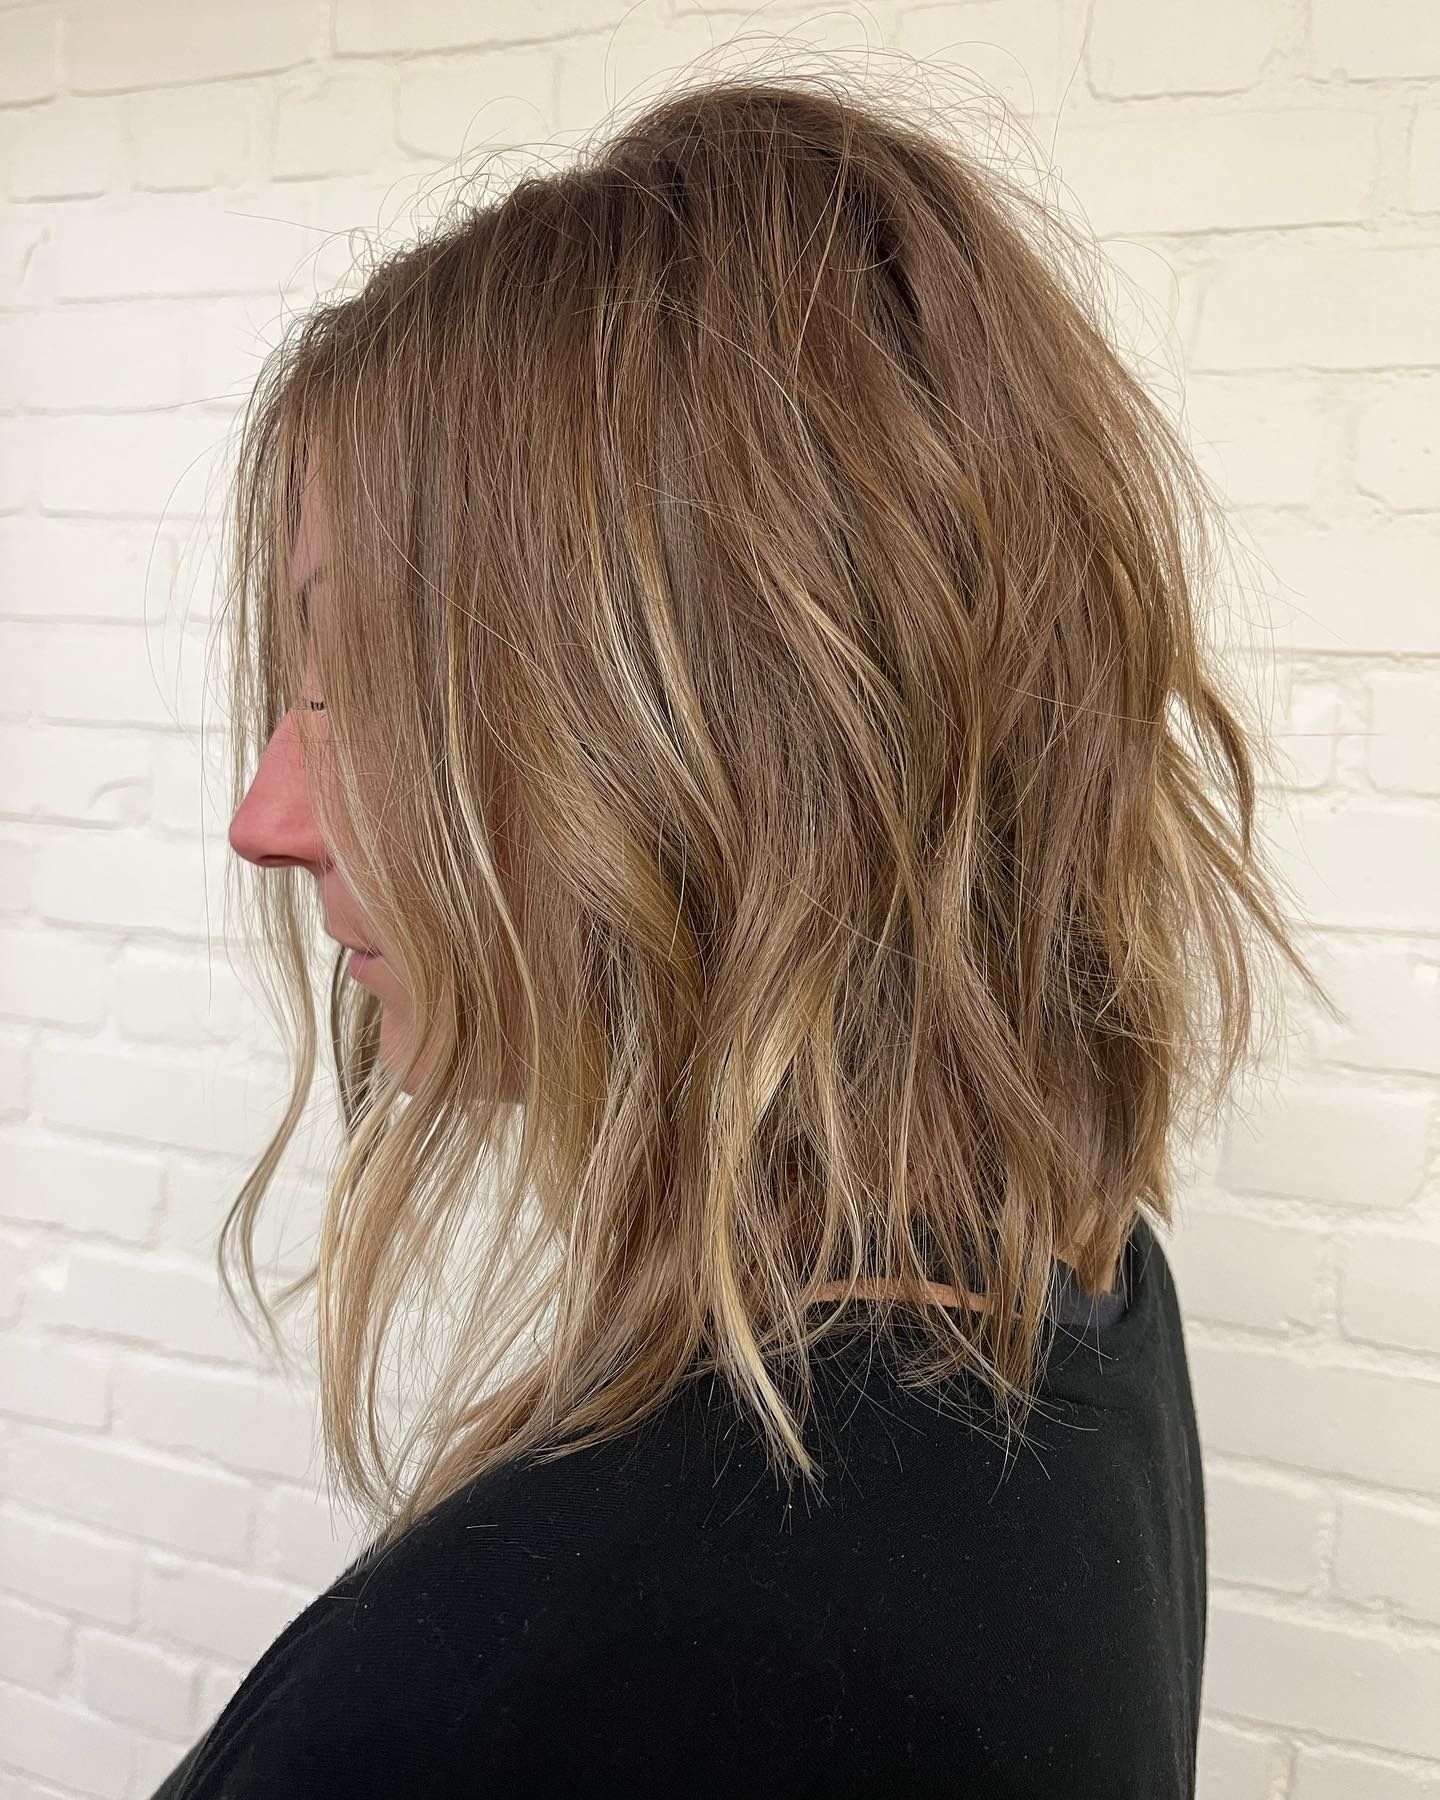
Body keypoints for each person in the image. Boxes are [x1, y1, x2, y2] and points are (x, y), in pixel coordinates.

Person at [150, 69, 1329, 1800]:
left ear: (708, 726)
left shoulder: (518, 1682)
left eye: (364, 684)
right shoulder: (1073, 1304)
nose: (266, 818)